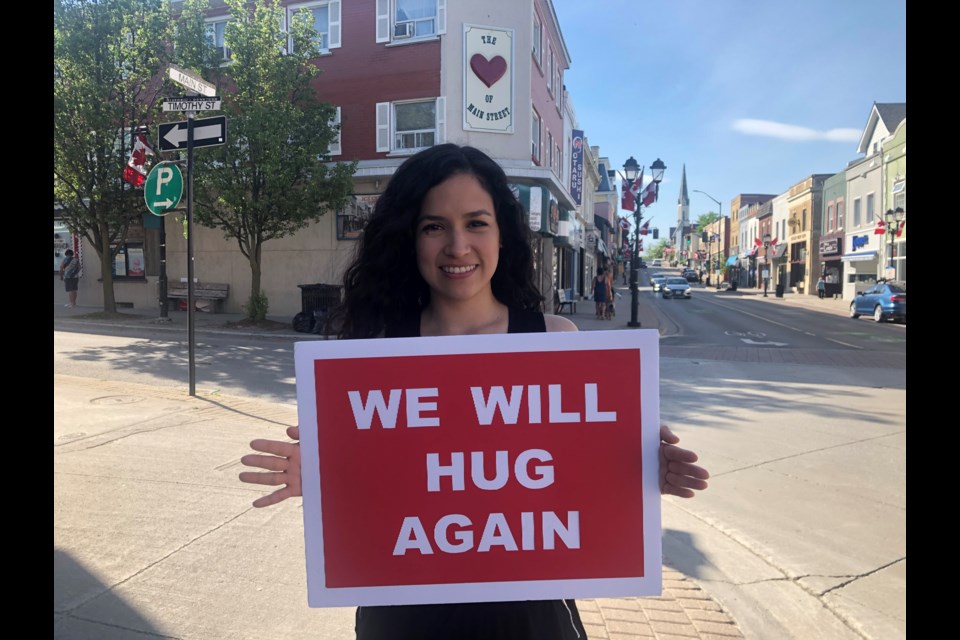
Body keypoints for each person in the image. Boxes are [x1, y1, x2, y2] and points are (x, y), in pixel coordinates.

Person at [238, 144, 710, 640]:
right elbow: (379, 483)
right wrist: (320, 477)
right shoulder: (375, 351)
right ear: (410, 239)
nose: (457, 246)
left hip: (529, 618)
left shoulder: (552, 340)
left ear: (502, 234)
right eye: (434, 226)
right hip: (403, 615)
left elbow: (571, 476)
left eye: (476, 223)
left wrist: (636, 471)